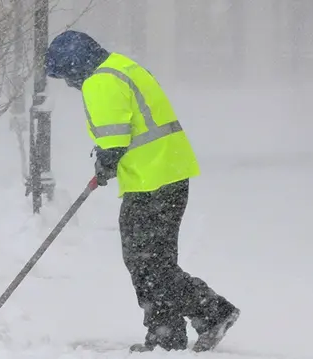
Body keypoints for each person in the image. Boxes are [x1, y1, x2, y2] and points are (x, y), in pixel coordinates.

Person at [44, 30, 240, 352]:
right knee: (155, 263)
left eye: (66, 75)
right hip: (169, 174)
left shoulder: (99, 82)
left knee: (146, 263)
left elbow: (114, 142)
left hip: (152, 182)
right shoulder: (122, 66)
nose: (68, 83)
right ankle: (168, 335)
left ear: (75, 65)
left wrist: (104, 164)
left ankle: (210, 313)